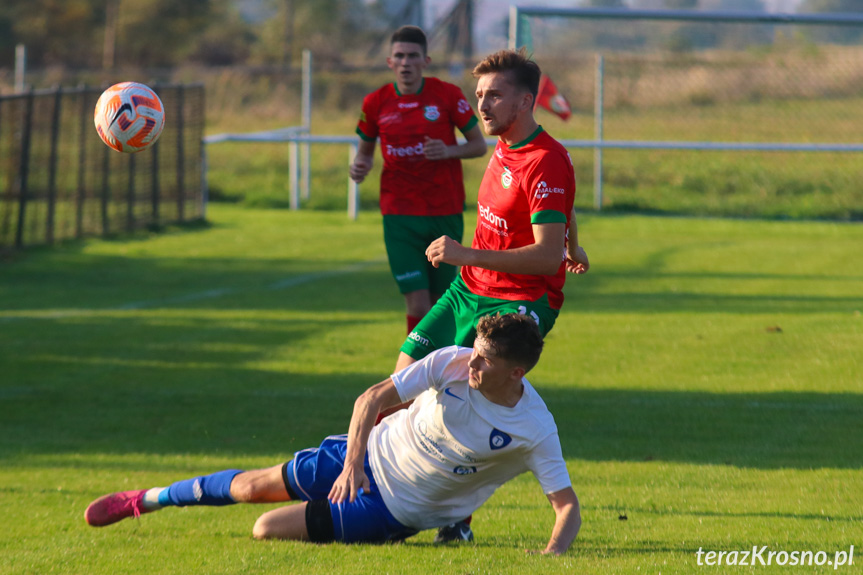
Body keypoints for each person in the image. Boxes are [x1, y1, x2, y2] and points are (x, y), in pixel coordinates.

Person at [84, 314, 581, 555]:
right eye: (473, 350)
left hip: (393, 509)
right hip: (363, 461)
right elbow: (371, 400)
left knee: (264, 528)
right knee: (250, 487)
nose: (470, 362)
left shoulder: (534, 429)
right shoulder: (452, 362)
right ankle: (145, 499)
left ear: (516, 372)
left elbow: (566, 506)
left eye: (484, 360)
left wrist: (553, 553)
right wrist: (353, 464)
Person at [381, 47, 590, 543]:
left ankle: (456, 520)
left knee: (471, 402)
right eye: (479, 95)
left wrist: (467, 254)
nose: (482, 105)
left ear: (524, 101)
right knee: (399, 382)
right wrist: (575, 243)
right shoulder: (505, 145)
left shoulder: (545, 160)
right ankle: (374, 480)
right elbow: (559, 213)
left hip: (518, 302)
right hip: (469, 288)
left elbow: (543, 257)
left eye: (494, 95)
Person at [349, 25, 487, 336]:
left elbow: (478, 145)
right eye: (399, 56)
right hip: (399, 216)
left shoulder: (447, 95)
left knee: (442, 302)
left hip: (444, 211)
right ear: (389, 62)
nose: (406, 62)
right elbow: (365, 153)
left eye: (413, 56)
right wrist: (361, 165)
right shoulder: (375, 103)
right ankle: (418, 373)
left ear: (426, 60)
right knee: (418, 304)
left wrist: (448, 150)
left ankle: (441, 373)